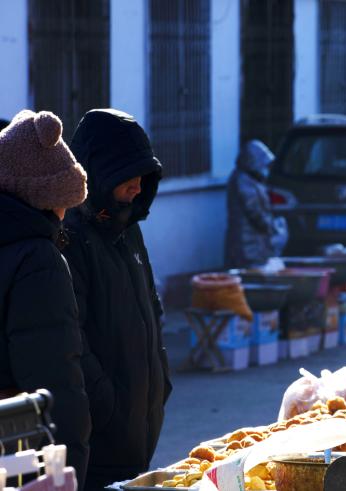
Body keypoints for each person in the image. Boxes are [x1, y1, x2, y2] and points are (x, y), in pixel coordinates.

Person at [63, 109, 171, 490]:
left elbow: (150, 308)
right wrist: (106, 405)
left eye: (144, 176)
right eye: (130, 175)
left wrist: (161, 380)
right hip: (100, 443)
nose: (139, 187)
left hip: (138, 434)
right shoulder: (70, 238)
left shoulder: (128, 228)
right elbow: (69, 338)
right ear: (100, 172)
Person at [0, 110, 91, 485]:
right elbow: (54, 380)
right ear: (46, 196)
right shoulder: (37, 259)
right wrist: (71, 466)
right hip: (19, 449)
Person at [225, 140, 286, 268]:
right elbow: (256, 213)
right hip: (247, 246)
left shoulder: (250, 180)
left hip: (252, 246)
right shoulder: (243, 181)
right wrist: (274, 228)